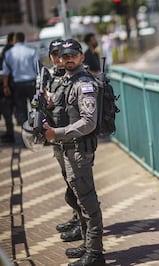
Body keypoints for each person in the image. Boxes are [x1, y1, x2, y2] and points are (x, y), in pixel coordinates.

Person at [43, 39, 104, 266]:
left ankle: (96, 254)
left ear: (81, 57)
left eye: (72, 55)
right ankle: (89, 246)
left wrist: (57, 133)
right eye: (64, 55)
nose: (67, 59)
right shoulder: (69, 80)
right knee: (79, 198)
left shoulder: (85, 84)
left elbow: (89, 122)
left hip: (79, 151)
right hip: (68, 149)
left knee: (88, 203)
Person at [46, 38, 83, 243]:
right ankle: (77, 218)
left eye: (64, 54)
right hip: (59, 137)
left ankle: (83, 225)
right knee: (69, 180)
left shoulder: (73, 78)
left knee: (77, 185)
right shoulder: (54, 77)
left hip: (72, 138)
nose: (60, 59)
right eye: (57, 55)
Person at [2, 32, 39, 127]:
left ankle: (25, 131)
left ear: (15, 40)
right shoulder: (31, 50)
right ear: (24, 39)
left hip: (18, 85)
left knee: (21, 110)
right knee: (36, 108)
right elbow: (37, 68)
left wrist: (6, 86)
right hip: (32, 84)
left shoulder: (9, 53)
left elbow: (6, 72)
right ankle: (38, 129)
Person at [0, 32, 15, 143]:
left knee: (7, 112)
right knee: (8, 112)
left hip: (6, 87)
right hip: (10, 86)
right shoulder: (7, 52)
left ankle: (10, 134)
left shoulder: (5, 52)